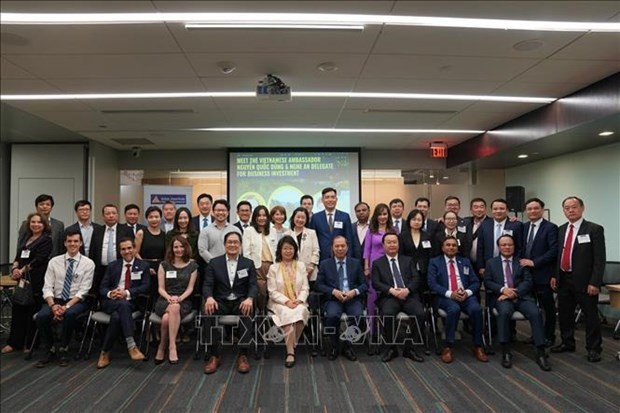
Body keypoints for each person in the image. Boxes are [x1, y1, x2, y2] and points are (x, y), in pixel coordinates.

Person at [551, 196, 606, 362]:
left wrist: (595, 282)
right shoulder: (560, 230)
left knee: (590, 316)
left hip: (585, 281)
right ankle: (567, 342)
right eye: (567, 208)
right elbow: (558, 255)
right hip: (564, 278)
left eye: (574, 207)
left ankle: (594, 348)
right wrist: (555, 275)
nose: (570, 210)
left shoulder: (594, 229)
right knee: (565, 314)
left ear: (582, 208)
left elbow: (599, 259)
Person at [484, 235, 551, 371]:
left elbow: (528, 281)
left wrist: (514, 293)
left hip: (521, 297)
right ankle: (506, 351)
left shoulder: (521, 262)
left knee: (535, 312)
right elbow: (488, 282)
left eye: (510, 244)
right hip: (501, 297)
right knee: (504, 313)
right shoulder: (491, 263)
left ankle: (540, 351)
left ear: (514, 246)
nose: (507, 247)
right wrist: (504, 290)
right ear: (499, 247)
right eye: (503, 245)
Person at [36, 230, 95, 367]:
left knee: (70, 314)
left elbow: (83, 291)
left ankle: (64, 348)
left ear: (80, 243)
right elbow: (47, 287)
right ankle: (49, 348)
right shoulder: (54, 262)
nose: (72, 244)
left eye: (75, 241)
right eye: (69, 241)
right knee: (42, 316)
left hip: (76, 301)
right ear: (65, 243)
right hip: (55, 300)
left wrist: (66, 307)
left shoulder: (88, 263)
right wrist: (52, 305)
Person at [202, 232, 257, 374]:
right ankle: (214, 355)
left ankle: (243, 354)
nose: (233, 245)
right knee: (208, 311)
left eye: (236, 242)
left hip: (240, 301)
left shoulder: (248, 263)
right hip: (220, 301)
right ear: (225, 244)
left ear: (240, 245)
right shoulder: (214, 263)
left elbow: (253, 285)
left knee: (247, 311)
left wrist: (249, 298)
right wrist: (209, 297)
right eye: (230, 242)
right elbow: (207, 284)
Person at [427, 236, 488, 364]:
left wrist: (467, 292)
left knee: (476, 309)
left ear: (457, 248)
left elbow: (475, 282)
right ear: (443, 248)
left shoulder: (465, 261)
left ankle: (477, 345)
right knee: (454, 309)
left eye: (454, 245)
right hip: (445, 297)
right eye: (448, 245)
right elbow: (432, 283)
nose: (451, 247)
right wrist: (450, 294)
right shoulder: (434, 262)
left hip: (465, 295)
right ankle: (448, 346)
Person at [2, 213, 53, 354]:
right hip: (22, 280)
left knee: (32, 311)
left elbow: (40, 259)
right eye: (33, 222)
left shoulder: (46, 240)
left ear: (44, 225)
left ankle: (30, 343)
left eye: (39, 222)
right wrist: (14, 268)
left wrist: (22, 270)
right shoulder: (26, 237)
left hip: (36, 280)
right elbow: (18, 255)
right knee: (18, 309)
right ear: (29, 224)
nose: (36, 224)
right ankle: (14, 342)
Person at [372, 233, 425, 363]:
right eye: (388, 242)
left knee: (420, 313)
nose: (392, 245)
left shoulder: (408, 260)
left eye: (394, 242)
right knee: (387, 314)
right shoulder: (378, 263)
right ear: (383, 245)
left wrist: (407, 290)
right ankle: (391, 348)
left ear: (398, 244)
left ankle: (410, 348)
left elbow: (416, 278)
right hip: (390, 297)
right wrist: (391, 290)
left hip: (408, 296)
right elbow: (376, 282)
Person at [96, 238, 150, 369]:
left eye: (129, 248)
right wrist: (111, 293)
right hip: (112, 301)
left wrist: (126, 292)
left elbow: (146, 287)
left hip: (132, 302)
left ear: (134, 248)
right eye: (123, 249)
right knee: (121, 305)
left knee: (117, 316)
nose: (127, 251)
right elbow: (102, 287)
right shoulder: (112, 265)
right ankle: (131, 346)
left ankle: (105, 352)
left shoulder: (143, 266)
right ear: (120, 251)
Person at [316, 236, 367, 361]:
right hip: (334, 299)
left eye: (342, 246)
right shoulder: (325, 264)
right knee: (332, 316)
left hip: (352, 298)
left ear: (347, 247)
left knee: (358, 316)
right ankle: (334, 345)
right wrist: (333, 291)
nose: (340, 248)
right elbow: (318, 285)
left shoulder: (355, 263)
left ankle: (347, 346)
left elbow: (365, 284)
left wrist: (354, 292)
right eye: (337, 246)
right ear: (332, 248)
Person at [153, 235, 199, 365]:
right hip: (164, 300)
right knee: (173, 307)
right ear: (171, 249)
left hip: (184, 300)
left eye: (181, 246)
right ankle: (172, 346)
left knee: (167, 318)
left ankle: (163, 346)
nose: (178, 249)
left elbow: (190, 289)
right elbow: (160, 288)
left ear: (186, 248)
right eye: (176, 247)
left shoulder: (193, 266)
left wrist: (179, 298)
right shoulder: (164, 265)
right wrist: (169, 298)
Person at [519, 198, 558, 347]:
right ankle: (536, 335)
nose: (532, 211)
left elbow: (553, 251)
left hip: (543, 275)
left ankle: (549, 336)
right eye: (529, 209)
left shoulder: (550, 228)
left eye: (536, 208)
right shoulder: (524, 227)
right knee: (533, 309)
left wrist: (534, 262)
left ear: (542, 210)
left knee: (547, 308)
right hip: (527, 276)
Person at [267, 236, 310, 368]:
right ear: (280, 250)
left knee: (301, 311)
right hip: (279, 303)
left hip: (298, 302)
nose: (288, 251)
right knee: (288, 315)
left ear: (295, 250)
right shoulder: (274, 268)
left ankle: (291, 344)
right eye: (285, 248)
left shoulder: (301, 266)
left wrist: (299, 300)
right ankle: (290, 352)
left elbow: (305, 287)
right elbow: (272, 291)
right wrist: (286, 302)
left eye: (291, 248)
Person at [363, 203, 394, 347]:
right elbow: (367, 250)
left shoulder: (394, 230)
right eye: (380, 214)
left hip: (389, 268)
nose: (382, 217)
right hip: (374, 268)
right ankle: (372, 333)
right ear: (376, 216)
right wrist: (366, 267)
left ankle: (386, 332)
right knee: (372, 301)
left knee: (388, 299)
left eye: (385, 214)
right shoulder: (371, 230)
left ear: (388, 215)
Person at [89, 204, 134, 294]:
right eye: (108, 213)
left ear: (117, 215)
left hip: (120, 267)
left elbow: (132, 250)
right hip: (101, 268)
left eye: (114, 213)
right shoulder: (97, 230)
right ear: (103, 216)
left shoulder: (126, 230)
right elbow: (92, 251)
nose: (111, 215)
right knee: (101, 292)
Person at [243, 205, 277, 313]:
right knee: (261, 292)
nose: (262, 218)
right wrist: (249, 267)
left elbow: (276, 249)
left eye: (264, 215)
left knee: (272, 292)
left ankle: (270, 316)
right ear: (255, 217)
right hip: (257, 267)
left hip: (272, 266)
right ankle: (261, 314)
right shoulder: (249, 230)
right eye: (259, 215)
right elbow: (246, 251)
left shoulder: (273, 230)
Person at [477, 198, 523, 278]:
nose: (498, 211)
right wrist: (481, 266)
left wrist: (517, 264)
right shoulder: (484, 225)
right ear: (491, 210)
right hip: (489, 266)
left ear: (507, 210)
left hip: (510, 266)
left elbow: (520, 247)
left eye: (502, 208)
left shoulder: (516, 225)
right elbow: (480, 247)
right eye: (495, 209)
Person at [310, 187, 354, 262]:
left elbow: (349, 239)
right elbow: (313, 240)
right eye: (327, 197)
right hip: (322, 257)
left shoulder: (345, 216)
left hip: (341, 256)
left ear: (336, 199)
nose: (330, 200)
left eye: (333, 197)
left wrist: (349, 258)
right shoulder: (315, 217)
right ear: (322, 200)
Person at [135, 206, 166, 304]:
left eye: (156, 217)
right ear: (147, 218)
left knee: (159, 293)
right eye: (151, 217)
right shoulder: (141, 233)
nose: (154, 219)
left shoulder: (164, 235)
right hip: (144, 266)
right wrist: (145, 267)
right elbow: (135, 252)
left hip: (160, 267)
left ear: (161, 218)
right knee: (146, 295)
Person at [284, 207, 320, 286]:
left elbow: (316, 250)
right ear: (293, 218)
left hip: (310, 272)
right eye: (298, 217)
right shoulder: (287, 234)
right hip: (292, 272)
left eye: (303, 218)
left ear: (306, 219)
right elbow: (285, 253)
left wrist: (311, 267)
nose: (300, 220)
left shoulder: (311, 233)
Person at [198, 199, 242, 264]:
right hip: (213, 267)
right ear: (213, 212)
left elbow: (240, 249)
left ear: (228, 212)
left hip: (233, 265)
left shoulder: (235, 230)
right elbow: (202, 250)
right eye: (218, 210)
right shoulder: (206, 231)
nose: (221, 213)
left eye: (223, 210)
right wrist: (215, 263)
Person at [399, 209, 433, 288]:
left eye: (419, 220)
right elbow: (401, 254)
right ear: (409, 221)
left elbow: (430, 254)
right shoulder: (402, 236)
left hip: (424, 270)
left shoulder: (427, 236)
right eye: (414, 219)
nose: (416, 222)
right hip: (408, 270)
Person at [464, 197, 488, 272]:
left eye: (481, 207)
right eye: (476, 207)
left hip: (485, 264)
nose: (479, 209)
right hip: (468, 262)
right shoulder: (466, 222)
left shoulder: (492, 223)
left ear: (485, 209)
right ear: (471, 210)